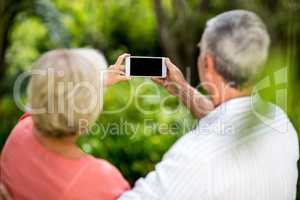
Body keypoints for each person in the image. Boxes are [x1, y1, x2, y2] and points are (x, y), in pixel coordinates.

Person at [118, 10, 299, 200]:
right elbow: (226, 120)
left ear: (207, 63)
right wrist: (182, 89)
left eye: (200, 49)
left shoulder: (195, 157)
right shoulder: (281, 123)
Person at [0, 49, 132, 200]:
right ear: (92, 110)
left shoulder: (21, 131)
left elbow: (49, 103)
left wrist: (97, 81)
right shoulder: (102, 180)